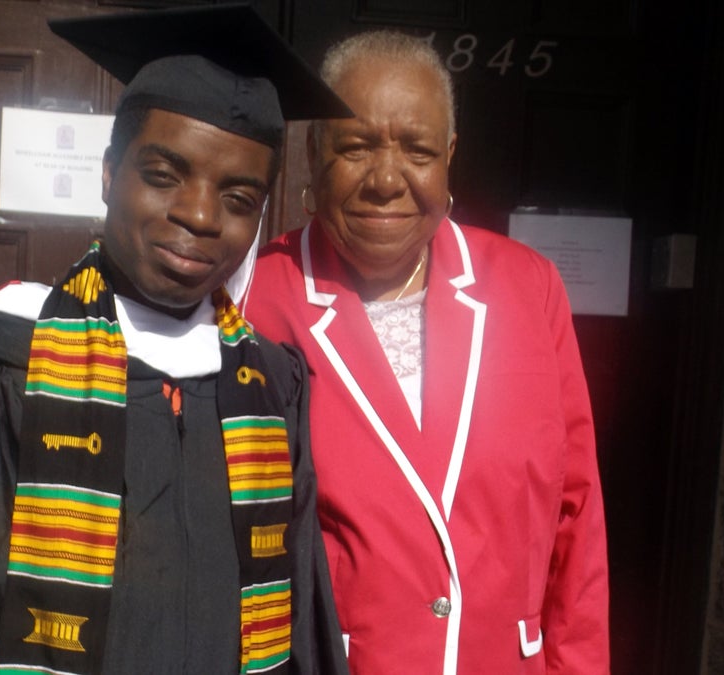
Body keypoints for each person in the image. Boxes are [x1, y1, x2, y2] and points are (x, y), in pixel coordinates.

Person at [0, 5, 352, 674]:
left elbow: (299, 620)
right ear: (108, 173)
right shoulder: (0, 365)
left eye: (240, 198)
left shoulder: (269, 387)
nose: (198, 214)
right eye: (163, 175)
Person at [244, 30, 610, 674]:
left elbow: (576, 518)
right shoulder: (256, 295)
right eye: (355, 147)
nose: (386, 180)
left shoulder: (528, 288)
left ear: (449, 156)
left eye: (416, 150)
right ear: (313, 150)